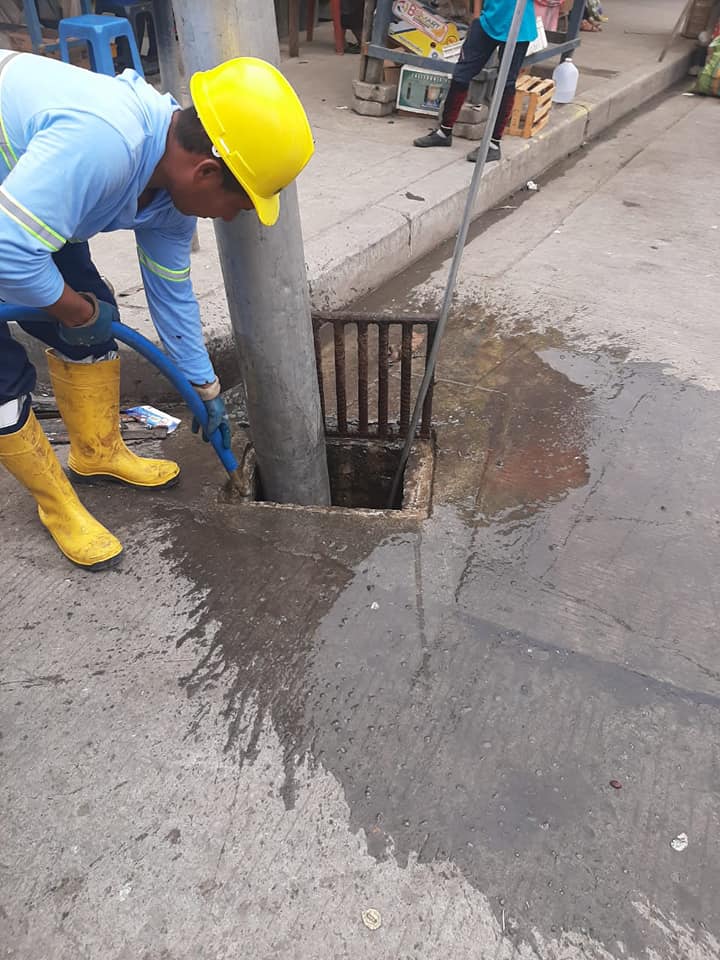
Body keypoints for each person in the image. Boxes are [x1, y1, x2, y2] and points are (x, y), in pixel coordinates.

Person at [0, 52, 314, 571]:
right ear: (206, 171)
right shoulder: (104, 143)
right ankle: (57, 506)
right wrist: (73, 310)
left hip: (22, 200)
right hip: (10, 222)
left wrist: (204, 387)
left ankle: (96, 454)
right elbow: (9, 252)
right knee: (5, 383)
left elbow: (170, 290)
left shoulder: (169, 192)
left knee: (95, 326)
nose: (230, 218)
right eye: (237, 205)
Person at [413, 0, 537, 162]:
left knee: (506, 83)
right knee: (461, 74)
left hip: (518, 27)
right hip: (487, 21)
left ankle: (493, 144)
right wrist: (477, 15)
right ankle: (444, 132)